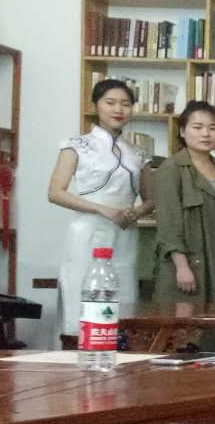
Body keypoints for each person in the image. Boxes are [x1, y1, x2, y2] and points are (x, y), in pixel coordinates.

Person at [48, 78, 154, 337]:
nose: (118, 109)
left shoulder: (138, 153)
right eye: (110, 102)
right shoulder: (76, 145)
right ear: (96, 105)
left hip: (125, 234)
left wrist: (136, 211)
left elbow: (151, 200)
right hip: (87, 233)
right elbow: (55, 193)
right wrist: (101, 209)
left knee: (123, 304)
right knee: (82, 300)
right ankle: (76, 349)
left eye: (125, 104)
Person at [153, 101, 215, 306]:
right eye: (197, 127)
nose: (206, 134)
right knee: (184, 323)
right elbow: (168, 224)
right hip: (188, 264)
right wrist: (182, 266)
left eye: (212, 128)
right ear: (183, 131)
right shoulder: (172, 168)